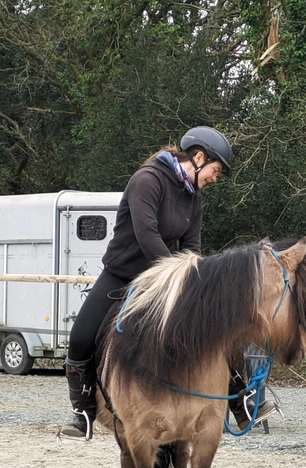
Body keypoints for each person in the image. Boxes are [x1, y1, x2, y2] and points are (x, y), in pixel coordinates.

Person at [59, 126, 275, 438]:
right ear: (199, 158)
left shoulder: (193, 198)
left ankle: (239, 401)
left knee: (211, 324)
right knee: (81, 336)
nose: (215, 178)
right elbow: (147, 236)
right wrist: (174, 275)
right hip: (123, 274)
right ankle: (83, 414)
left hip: (165, 278)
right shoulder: (147, 180)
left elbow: (192, 248)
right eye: (215, 170)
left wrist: (196, 282)